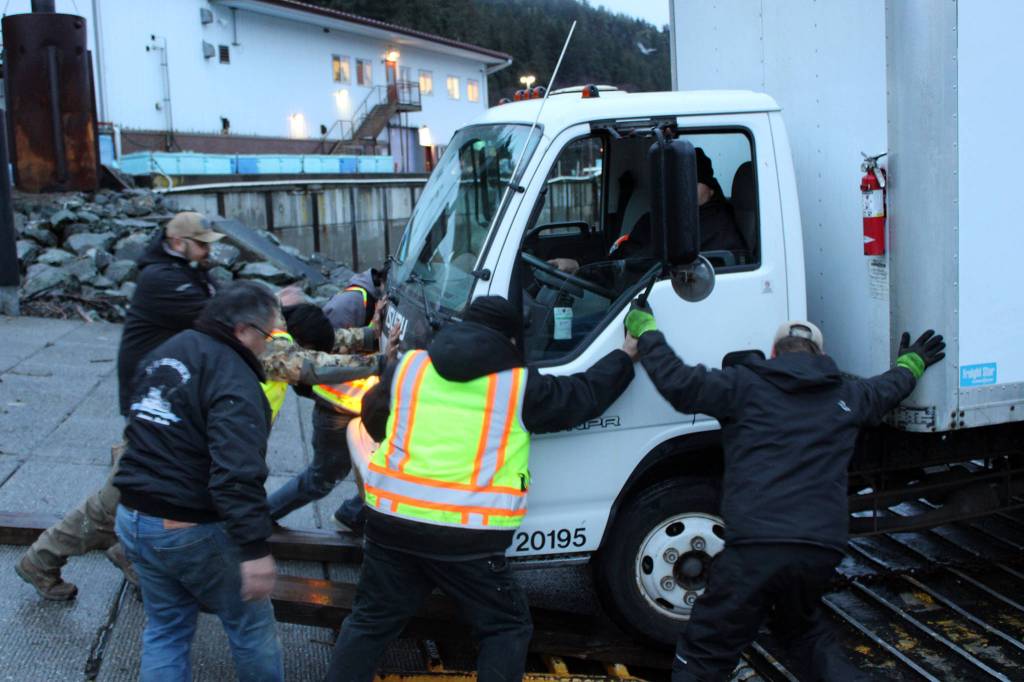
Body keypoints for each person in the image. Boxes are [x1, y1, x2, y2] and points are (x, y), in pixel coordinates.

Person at [623, 306, 946, 682]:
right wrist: (913, 361)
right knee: (802, 633)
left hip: (756, 547)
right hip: (818, 551)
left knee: (706, 651)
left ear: (773, 353)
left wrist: (647, 332)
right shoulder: (847, 394)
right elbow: (891, 387)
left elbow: (677, 381)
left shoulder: (742, 386)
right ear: (821, 357)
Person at [326, 295, 638, 681]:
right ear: (510, 341)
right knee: (504, 628)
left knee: (369, 623)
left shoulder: (410, 367)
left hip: (393, 523)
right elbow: (584, 396)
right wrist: (625, 355)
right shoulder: (518, 385)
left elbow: (375, 420)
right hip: (467, 538)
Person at [15, 212, 223, 601]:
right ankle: (42, 559)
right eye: (202, 242)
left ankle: (126, 551)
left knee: (141, 483)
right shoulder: (163, 279)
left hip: (164, 395)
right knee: (119, 493)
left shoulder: (187, 271)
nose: (209, 249)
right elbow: (216, 317)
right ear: (179, 243)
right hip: (153, 400)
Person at [113, 282, 285, 682]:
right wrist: (254, 549)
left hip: (134, 516)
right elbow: (236, 473)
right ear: (243, 330)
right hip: (187, 527)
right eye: (268, 335)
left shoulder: (166, 351)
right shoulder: (234, 379)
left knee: (166, 630)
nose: (268, 345)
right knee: (250, 627)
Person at [274, 267, 387, 532]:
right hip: (335, 409)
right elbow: (314, 366)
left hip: (350, 406)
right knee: (320, 478)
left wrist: (373, 335)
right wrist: (379, 362)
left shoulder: (283, 332)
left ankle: (352, 515)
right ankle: (257, 519)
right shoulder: (273, 348)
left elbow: (332, 341)